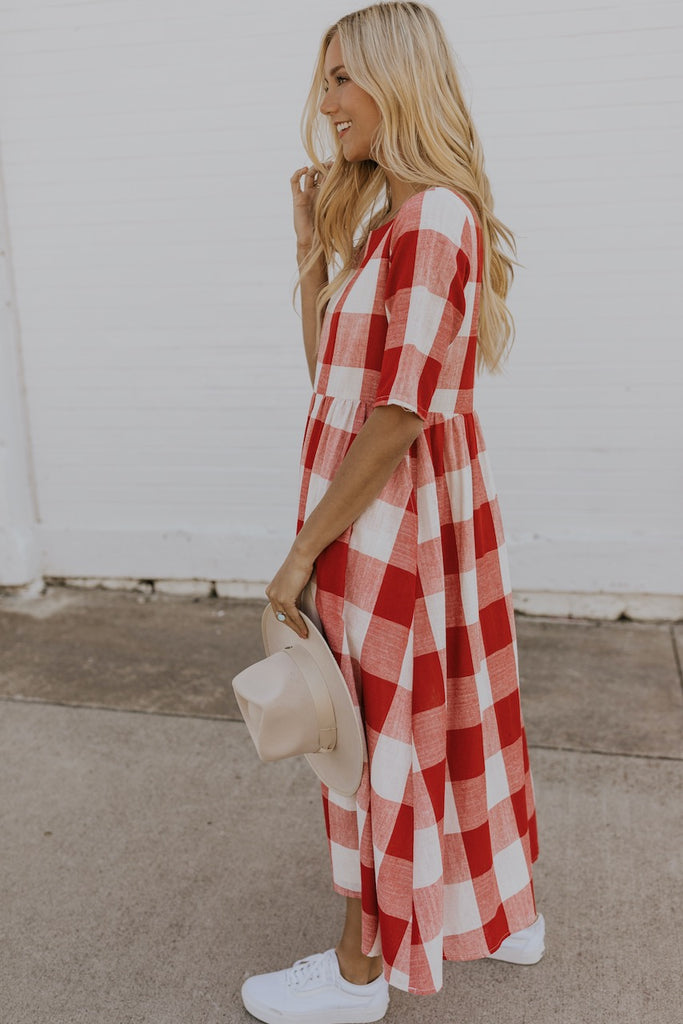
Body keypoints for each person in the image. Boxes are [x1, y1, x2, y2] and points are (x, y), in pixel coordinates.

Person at [242, 4, 542, 1022]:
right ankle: (501, 913)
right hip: (385, 513)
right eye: (323, 80)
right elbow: (331, 381)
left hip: (389, 521)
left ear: (397, 81)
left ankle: (357, 972)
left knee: (372, 741)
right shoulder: (392, 224)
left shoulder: (434, 220)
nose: (325, 103)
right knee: (444, 720)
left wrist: (299, 555)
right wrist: (311, 249)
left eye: (342, 78)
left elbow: (398, 415)